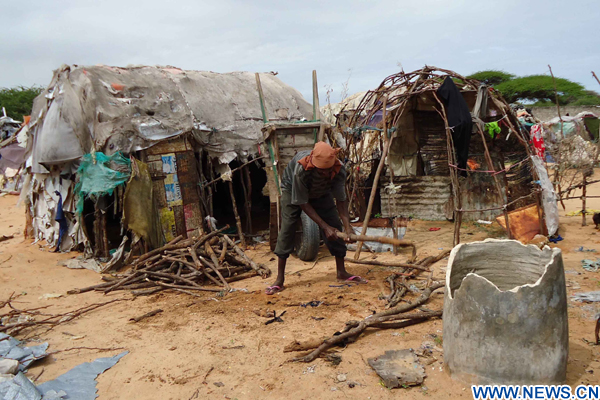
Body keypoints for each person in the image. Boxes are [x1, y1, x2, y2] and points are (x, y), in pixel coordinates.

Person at [265, 142, 367, 295]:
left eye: (328, 171)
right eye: (321, 172)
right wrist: (324, 227)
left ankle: (341, 272)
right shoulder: (301, 170)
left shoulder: (339, 170)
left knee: (335, 224)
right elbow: (303, 202)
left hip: (322, 193)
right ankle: (279, 279)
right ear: (313, 165)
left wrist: (347, 227)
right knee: (288, 228)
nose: (325, 174)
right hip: (292, 190)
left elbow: (340, 200)